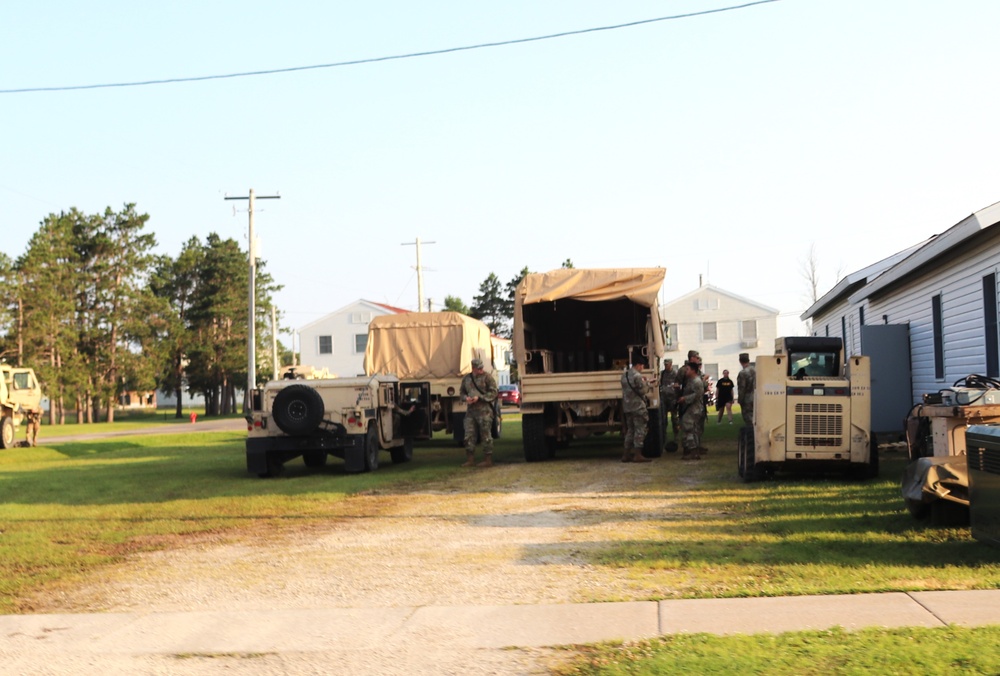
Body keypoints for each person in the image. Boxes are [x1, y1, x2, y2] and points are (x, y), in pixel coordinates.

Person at [459, 358, 499, 467]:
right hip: (471, 412)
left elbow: (494, 392)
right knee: (469, 435)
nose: (481, 370)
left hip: (484, 411)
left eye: (482, 367)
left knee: (485, 435)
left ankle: (488, 460)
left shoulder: (487, 377)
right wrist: (465, 398)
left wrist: (480, 398)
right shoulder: (467, 379)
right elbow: (462, 392)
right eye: (479, 368)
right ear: (473, 368)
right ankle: (470, 459)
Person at [620, 357, 652, 463]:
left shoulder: (624, 375)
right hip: (638, 407)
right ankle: (638, 454)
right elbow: (643, 391)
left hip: (627, 406)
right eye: (642, 366)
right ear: (638, 365)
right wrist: (647, 383)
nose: (642, 368)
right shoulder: (637, 376)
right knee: (640, 430)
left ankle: (626, 454)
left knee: (630, 430)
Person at [678, 352, 706, 460]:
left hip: (694, 409)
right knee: (690, 429)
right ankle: (691, 450)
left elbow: (697, 395)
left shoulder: (697, 381)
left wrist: (685, 399)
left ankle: (693, 451)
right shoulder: (691, 381)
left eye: (688, 369)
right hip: (689, 408)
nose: (686, 371)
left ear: (693, 370)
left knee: (689, 428)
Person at [659, 358, 679, 442]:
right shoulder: (662, 374)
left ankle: (676, 436)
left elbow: (679, 385)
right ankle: (664, 437)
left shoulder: (675, 374)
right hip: (664, 399)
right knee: (664, 419)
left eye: (667, 364)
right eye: (665, 364)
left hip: (673, 399)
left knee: (674, 419)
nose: (666, 366)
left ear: (671, 364)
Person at [737, 352, 756, 427]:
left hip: (747, 398)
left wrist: (740, 400)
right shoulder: (755, 370)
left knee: (748, 419)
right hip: (756, 396)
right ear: (749, 360)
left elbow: (742, 388)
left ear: (740, 361)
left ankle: (751, 435)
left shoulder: (743, 373)